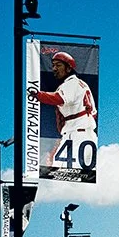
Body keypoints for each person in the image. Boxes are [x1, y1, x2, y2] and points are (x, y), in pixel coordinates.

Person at [35, 51, 97, 179]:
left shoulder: (71, 83)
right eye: (53, 65)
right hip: (84, 135)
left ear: (69, 68)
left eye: (58, 65)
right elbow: (93, 114)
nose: (54, 69)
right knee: (76, 175)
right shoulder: (82, 84)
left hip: (77, 136)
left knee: (61, 174)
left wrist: (37, 95)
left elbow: (58, 98)